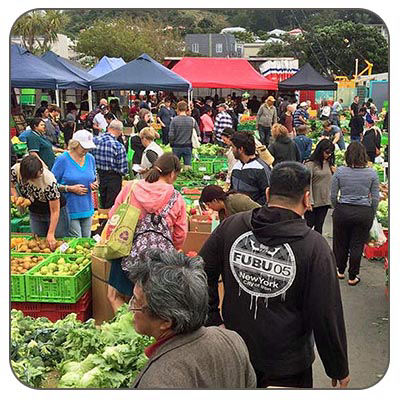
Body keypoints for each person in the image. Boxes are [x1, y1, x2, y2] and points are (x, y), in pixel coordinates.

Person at [199, 161, 350, 389]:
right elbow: (326, 311)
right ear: (307, 199)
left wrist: (213, 319)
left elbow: (198, 271)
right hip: (288, 364)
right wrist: (337, 366)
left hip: (235, 353)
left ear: (268, 193)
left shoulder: (231, 226)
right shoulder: (314, 247)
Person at [129, 249, 257, 389]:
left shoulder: (158, 381)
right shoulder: (231, 339)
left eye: (136, 302)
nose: (131, 308)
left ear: (166, 321)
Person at [107, 153, 188, 312]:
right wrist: (173, 246)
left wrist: (113, 240)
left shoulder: (131, 187)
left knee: (115, 296)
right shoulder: (176, 197)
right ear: (172, 174)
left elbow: (113, 217)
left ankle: (127, 329)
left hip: (127, 251)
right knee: (151, 304)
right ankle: (147, 333)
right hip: (160, 259)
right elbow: (180, 233)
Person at [331, 142, 379, 285]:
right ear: (363, 155)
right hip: (363, 212)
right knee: (357, 245)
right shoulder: (372, 173)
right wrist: (372, 212)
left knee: (340, 243)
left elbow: (333, 195)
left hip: (343, 210)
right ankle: (353, 276)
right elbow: (375, 198)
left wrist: (337, 207)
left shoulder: (340, 171)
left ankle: (340, 271)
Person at [11, 155, 70, 249]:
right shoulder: (16, 170)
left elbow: (55, 211)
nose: (39, 176)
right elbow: (11, 184)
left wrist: (51, 233)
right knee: (38, 243)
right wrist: (16, 197)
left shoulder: (48, 180)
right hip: (35, 211)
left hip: (54, 211)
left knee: (56, 241)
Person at [51, 130, 98, 238]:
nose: (86, 151)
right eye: (83, 148)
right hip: (70, 209)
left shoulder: (90, 158)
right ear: (74, 145)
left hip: (87, 207)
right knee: (76, 239)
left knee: (86, 240)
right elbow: (52, 185)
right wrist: (69, 188)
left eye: (88, 148)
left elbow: (94, 176)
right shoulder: (62, 159)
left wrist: (95, 183)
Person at [92, 120, 128, 209]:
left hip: (99, 175)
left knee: (103, 202)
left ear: (108, 128)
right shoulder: (118, 146)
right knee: (113, 205)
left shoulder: (95, 140)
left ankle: (103, 220)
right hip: (113, 178)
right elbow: (123, 169)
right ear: (120, 132)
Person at [230, 132, 271, 205]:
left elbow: (267, 195)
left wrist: (252, 209)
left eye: (233, 147)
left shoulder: (261, 168)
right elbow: (233, 189)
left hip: (253, 214)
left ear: (240, 149)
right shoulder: (236, 167)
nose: (231, 150)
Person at [304, 139, 335, 234]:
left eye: (331, 153)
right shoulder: (310, 164)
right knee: (309, 226)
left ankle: (317, 247)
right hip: (313, 202)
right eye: (327, 152)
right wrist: (309, 201)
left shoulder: (329, 164)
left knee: (319, 226)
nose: (329, 155)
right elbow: (307, 183)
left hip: (324, 201)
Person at [169, 100, 200, 167]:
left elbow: (171, 135)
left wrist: (172, 144)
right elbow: (198, 133)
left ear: (177, 109)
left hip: (176, 146)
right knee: (188, 166)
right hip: (188, 146)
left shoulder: (174, 120)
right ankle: (187, 176)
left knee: (175, 166)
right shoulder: (192, 120)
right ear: (186, 109)